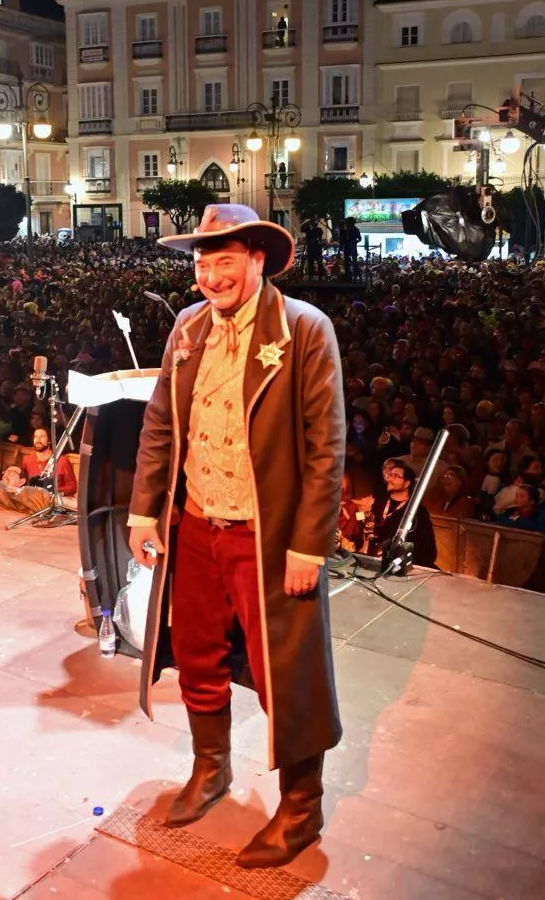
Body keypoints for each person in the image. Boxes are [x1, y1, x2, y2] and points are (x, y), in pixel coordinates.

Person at [127, 203, 343, 869]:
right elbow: (161, 423)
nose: (210, 275)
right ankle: (210, 769)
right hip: (195, 525)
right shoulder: (187, 329)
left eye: (224, 260)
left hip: (268, 536)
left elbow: (327, 447)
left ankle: (301, 810)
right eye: (201, 262)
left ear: (257, 259)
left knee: (290, 676)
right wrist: (142, 511)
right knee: (195, 652)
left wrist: (310, 543)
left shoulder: (304, 330)